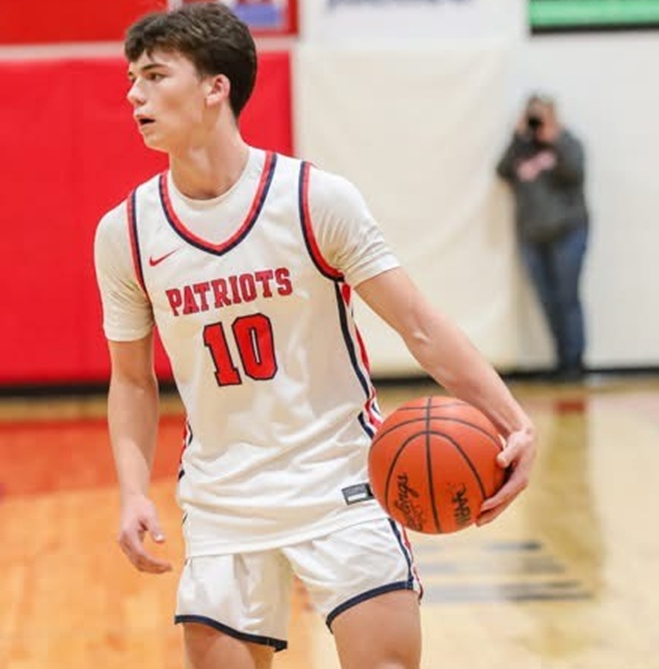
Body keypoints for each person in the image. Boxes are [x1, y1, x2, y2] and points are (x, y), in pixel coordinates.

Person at [93, 4, 537, 668]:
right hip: (223, 501)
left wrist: (512, 421)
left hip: (341, 484)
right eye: (132, 78)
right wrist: (132, 491)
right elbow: (131, 379)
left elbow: (419, 325)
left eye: (155, 76)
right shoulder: (125, 232)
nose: (135, 94)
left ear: (215, 88)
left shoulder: (312, 200)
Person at [497, 93, 589, 382]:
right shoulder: (522, 148)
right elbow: (501, 171)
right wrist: (517, 137)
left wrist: (554, 140)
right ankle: (560, 362)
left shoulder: (568, 142)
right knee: (547, 301)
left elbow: (575, 173)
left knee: (567, 298)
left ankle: (574, 364)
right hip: (532, 236)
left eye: (542, 115)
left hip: (568, 232)